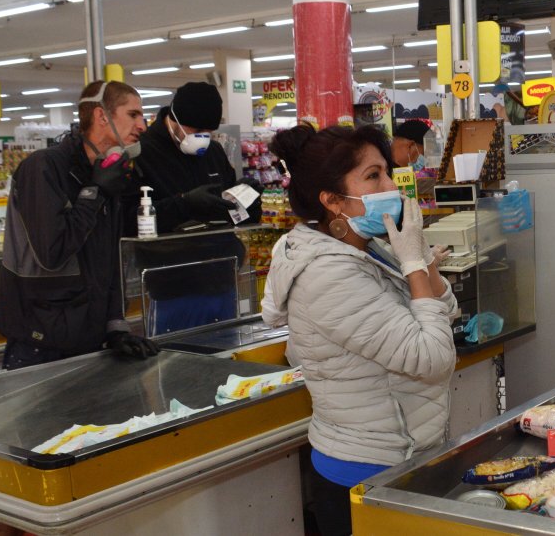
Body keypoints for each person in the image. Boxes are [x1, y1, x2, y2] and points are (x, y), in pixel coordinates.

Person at [262, 123, 457, 536]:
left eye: (387, 171)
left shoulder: (368, 248)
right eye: (373, 176)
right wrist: (414, 265)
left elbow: (447, 311)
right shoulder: (327, 276)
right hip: (366, 473)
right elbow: (433, 356)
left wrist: (421, 256)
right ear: (332, 201)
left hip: (406, 458)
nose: (391, 186)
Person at [0, 80, 159, 369]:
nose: (142, 126)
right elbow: (52, 252)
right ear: (101, 115)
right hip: (40, 345)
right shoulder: (43, 168)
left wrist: (116, 327)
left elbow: (109, 259)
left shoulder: (107, 172)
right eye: (133, 114)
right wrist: (94, 192)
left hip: (89, 338)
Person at [128, 81, 251, 234]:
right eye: (197, 130)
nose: (203, 138)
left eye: (209, 132)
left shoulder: (214, 152)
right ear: (175, 119)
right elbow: (129, 220)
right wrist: (183, 203)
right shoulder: (140, 152)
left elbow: (233, 213)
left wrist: (247, 201)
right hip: (167, 248)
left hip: (220, 245)